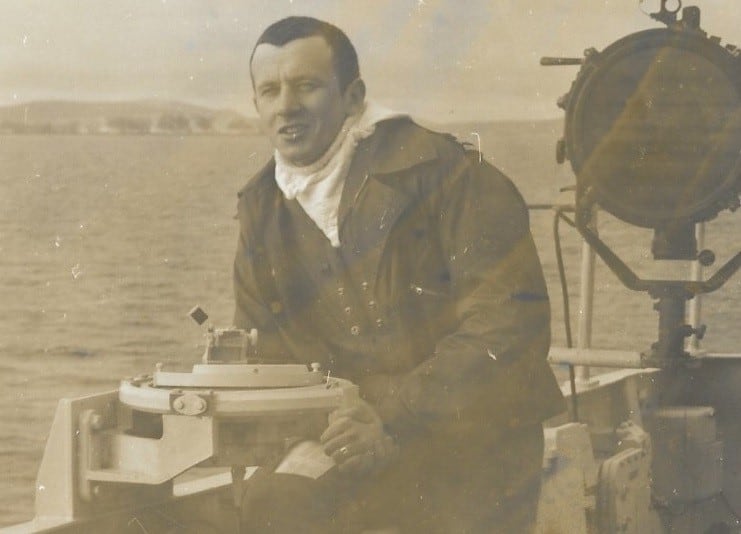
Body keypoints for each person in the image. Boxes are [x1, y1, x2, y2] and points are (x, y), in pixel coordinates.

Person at [232, 15, 565, 533]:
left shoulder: (449, 175)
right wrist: (329, 433)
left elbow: (507, 329)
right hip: (352, 441)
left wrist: (388, 418)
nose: (286, 107)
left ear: (353, 96)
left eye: (307, 86)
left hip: (473, 440)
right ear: (256, 105)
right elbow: (268, 353)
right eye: (270, 91)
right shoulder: (261, 208)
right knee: (273, 504)